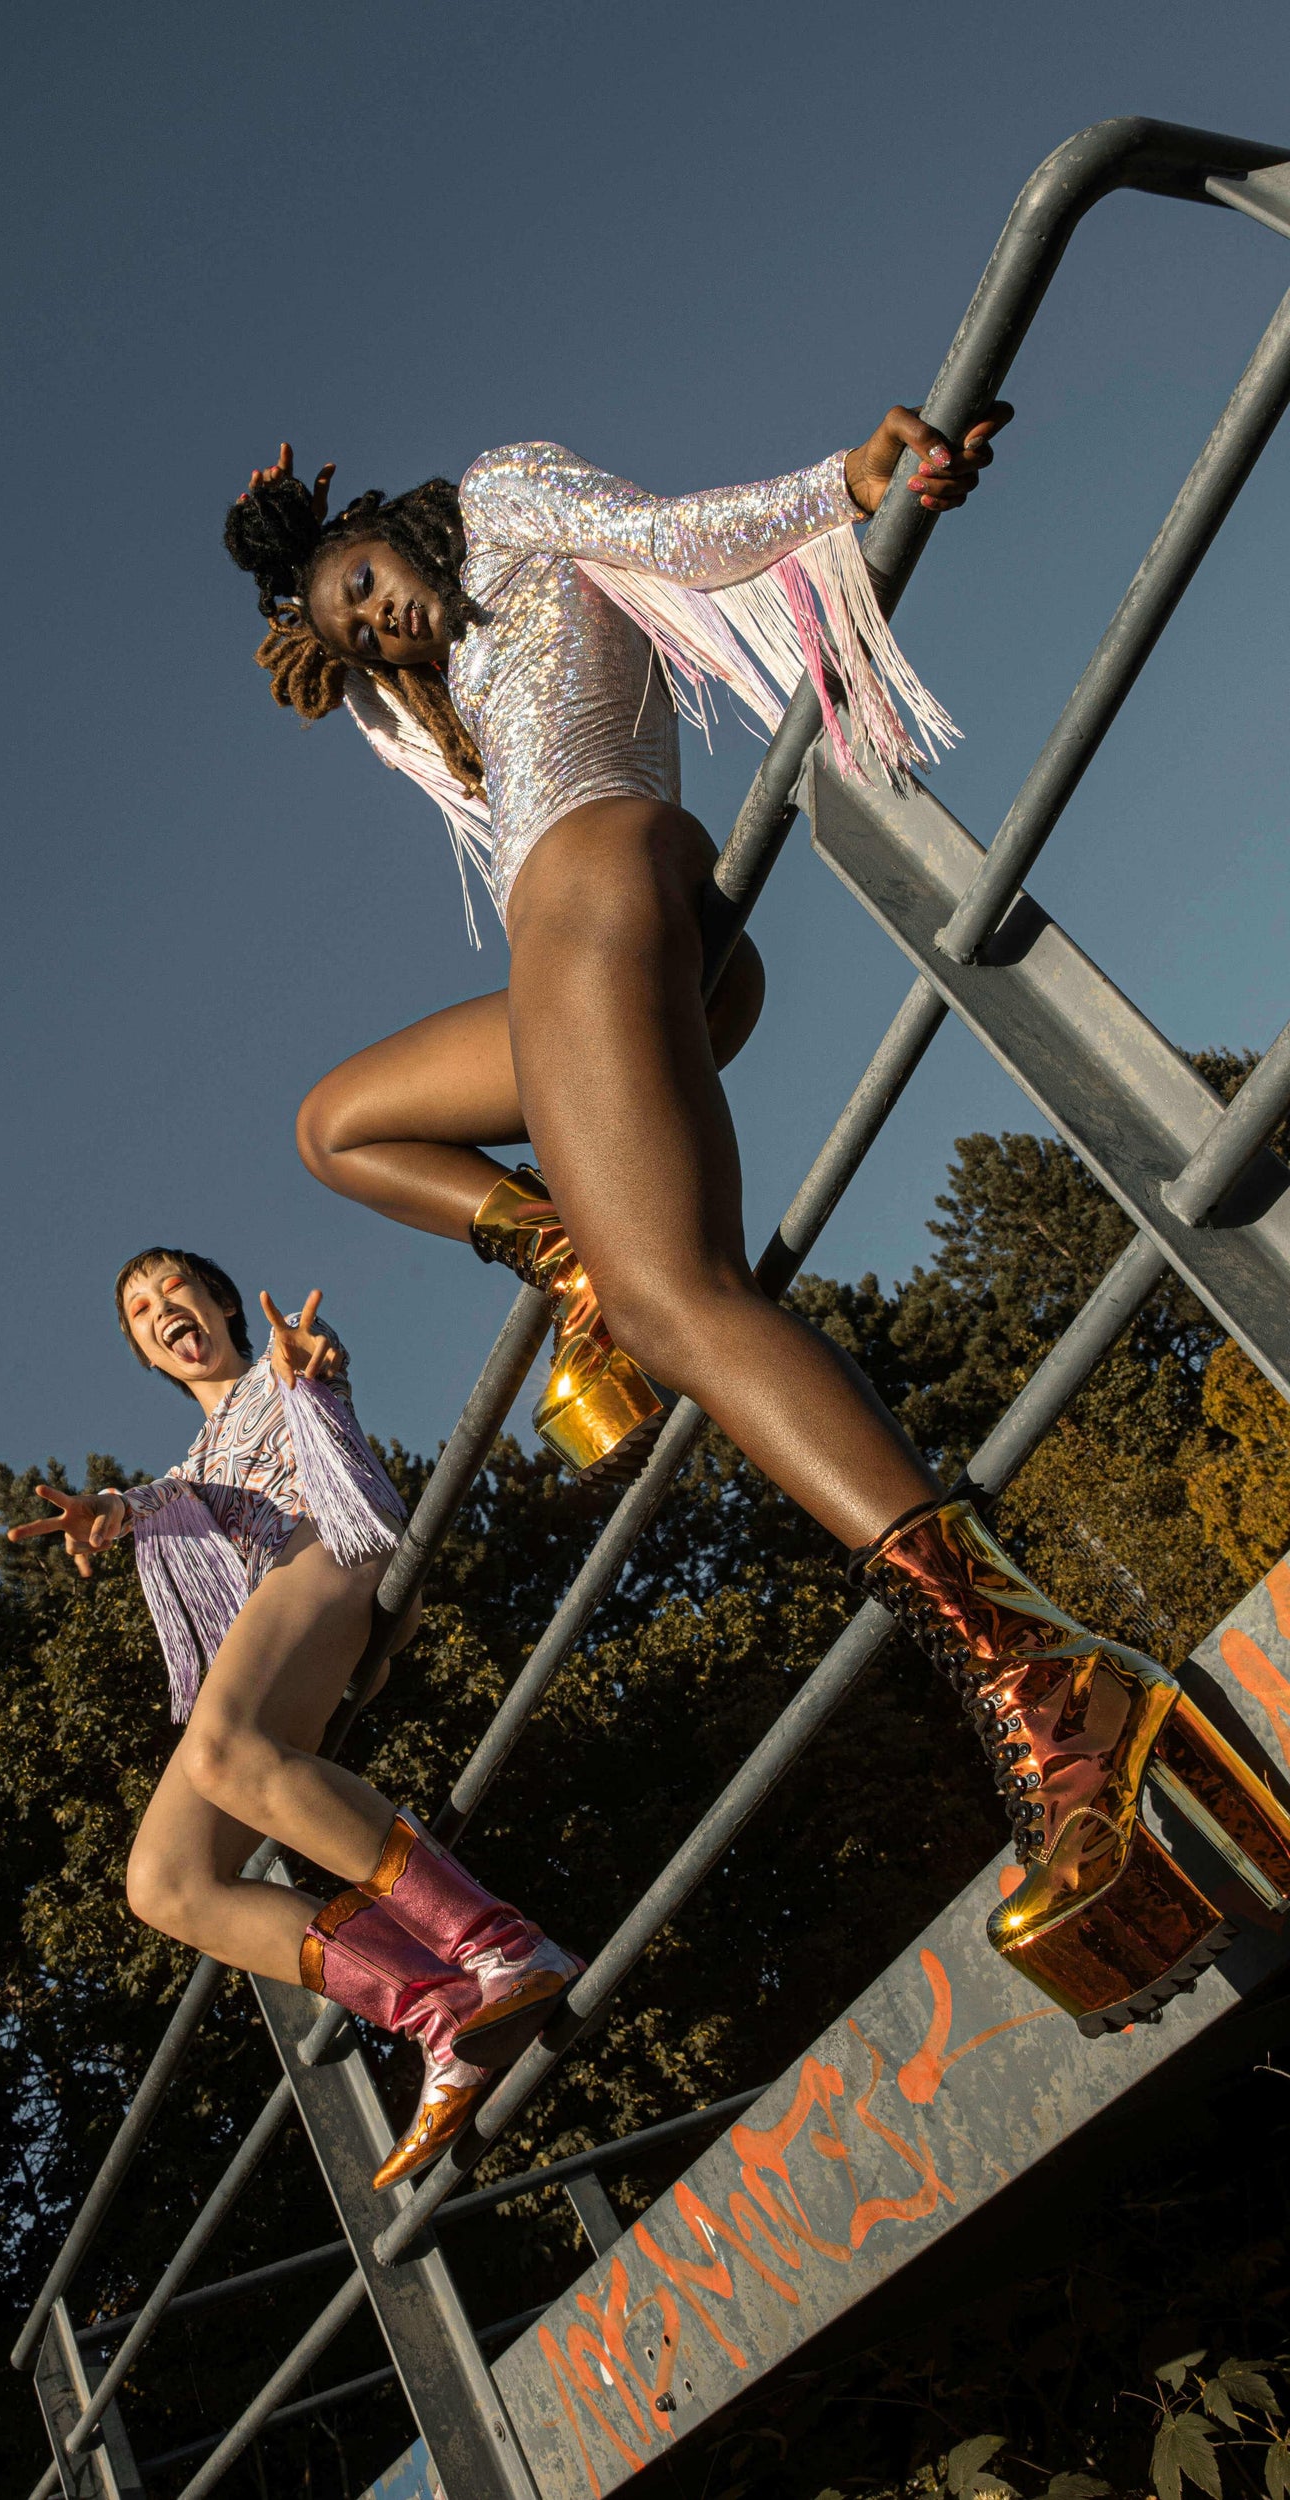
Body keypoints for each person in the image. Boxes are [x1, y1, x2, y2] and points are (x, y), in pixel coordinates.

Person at [220, 416, 1290, 2034]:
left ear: (395, 523)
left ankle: (1039, 1678)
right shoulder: (435, 682)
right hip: (578, 939)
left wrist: (847, 494)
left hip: (600, 890)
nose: (378, 626)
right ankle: (572, 1256)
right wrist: (295, 609)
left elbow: (669, 535)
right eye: (355, 632)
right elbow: (385, 679)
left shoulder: (499, 502)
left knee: (680, 1307)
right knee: (339, 1123)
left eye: (367, 587)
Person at [8, 1247, 581, 2186]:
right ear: (150, 1358)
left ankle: (505, 1947)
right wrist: (108, 1510)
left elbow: (312, 1370)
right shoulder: (188, 1472)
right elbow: (145, 1501)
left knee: (224, 1742)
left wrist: (314, 1364)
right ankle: (440, 2012)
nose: (161, 1311)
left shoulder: (280, 1364)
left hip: (332, 1544)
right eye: (141, 1312)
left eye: (173, 1289)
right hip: (282, 1607)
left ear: (221, 1303)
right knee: (164, 1881)